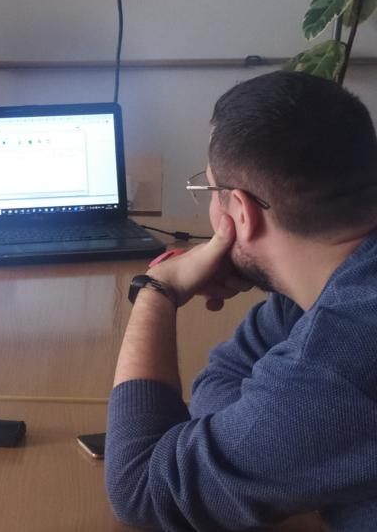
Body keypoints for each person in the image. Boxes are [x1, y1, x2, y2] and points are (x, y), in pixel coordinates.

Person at [105, 71, 377, 530]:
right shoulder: (325, 286)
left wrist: (157, 290)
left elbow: (142, 487)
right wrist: (281, 450)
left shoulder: (341, 357)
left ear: (243, 213)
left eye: (212, 192)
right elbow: (228, 374)